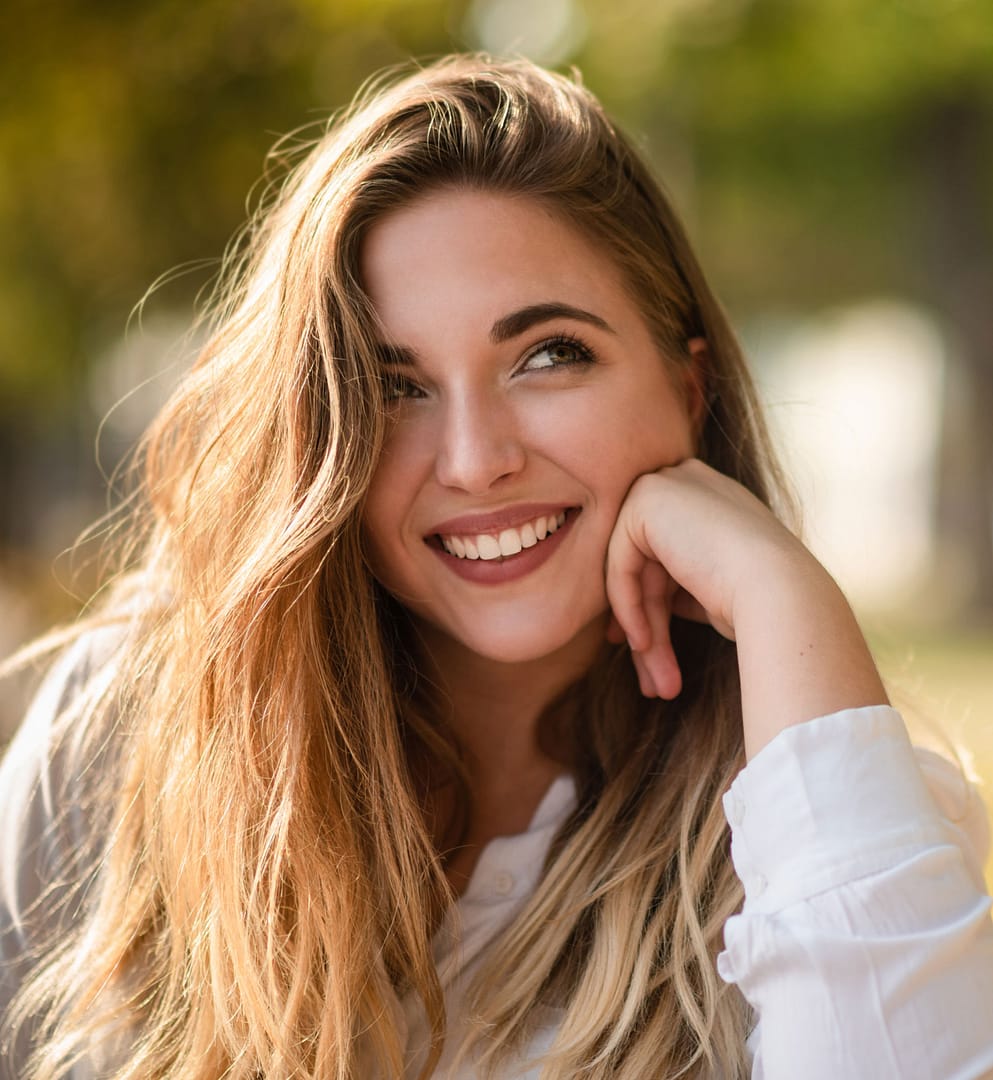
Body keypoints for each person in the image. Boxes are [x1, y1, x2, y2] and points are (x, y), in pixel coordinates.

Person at [1, 53, 992, 1080]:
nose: (477, 461)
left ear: (686, 388)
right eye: (393, 386)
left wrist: (786, 598)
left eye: (550, 355)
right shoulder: (129, 740)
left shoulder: (829, 808)